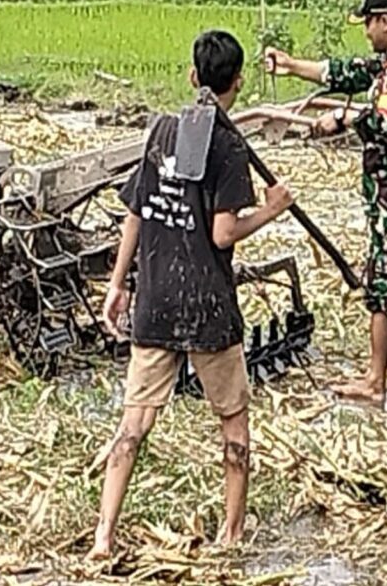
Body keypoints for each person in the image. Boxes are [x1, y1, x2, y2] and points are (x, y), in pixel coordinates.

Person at [86, 30, 294, 560]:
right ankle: (231, 533)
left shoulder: (162, 131)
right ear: (238, 83)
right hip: (208, 307)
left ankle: (104, 535)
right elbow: (224, 234)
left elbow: (136, 213)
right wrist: (271, 210)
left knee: (133, 424)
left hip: (155, 300)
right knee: (233, 420)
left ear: (192, 77)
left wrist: (118, 284)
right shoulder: (229, 147)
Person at [264, 0, 387, 417]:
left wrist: (340, 119)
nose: (365, 31)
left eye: (368, 22)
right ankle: (374, 379)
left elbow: (382, 121)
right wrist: (291, 66)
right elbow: (345, 72)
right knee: (380, 290)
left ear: (385, 21)